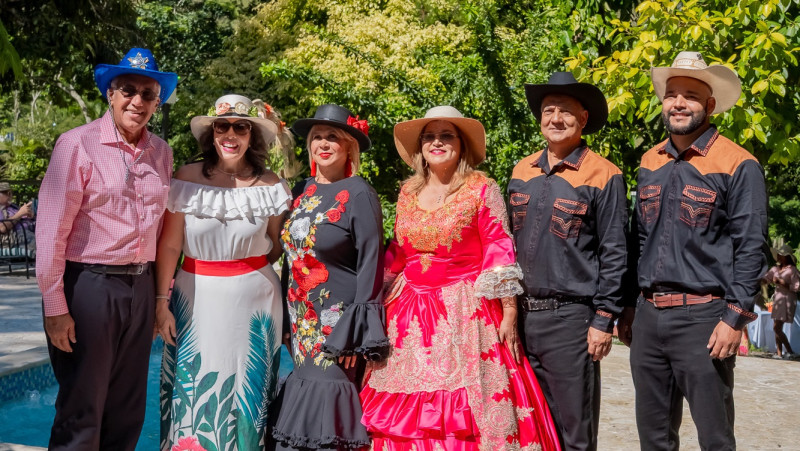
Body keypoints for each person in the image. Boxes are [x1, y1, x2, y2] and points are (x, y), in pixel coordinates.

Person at [360, 106, 560, 450]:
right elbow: (398, 251)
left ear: (461, 143)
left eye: (446, 135)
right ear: (421, 147)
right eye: (429, 137)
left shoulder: (481, 188)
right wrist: (371, 299)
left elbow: (498, 246)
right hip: (407, 312)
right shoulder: (407, 192)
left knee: (468, 407)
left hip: (464, 310)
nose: (437, 142)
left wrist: (509, 310)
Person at [625, 51, 768, 450]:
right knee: (653, 438)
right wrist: (629, 306)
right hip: (649, 317)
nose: (678, 103)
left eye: (690, 96)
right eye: (672, 94)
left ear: (709, 105)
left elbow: (751, 246)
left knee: (715, 438)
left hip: (704, 319)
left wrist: (734, 317)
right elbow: (639, 239)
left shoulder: (738, 163)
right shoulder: (649, 160)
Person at [35, 47, 177, 450]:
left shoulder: (162, 152)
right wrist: (55, 307)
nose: (137, 101)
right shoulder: (76, 144)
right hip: (90, 286)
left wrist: (157, 299)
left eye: (148, 94)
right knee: (82, 409)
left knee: (127, 410)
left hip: (141, 286)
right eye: (128, 90)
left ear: (157, 102)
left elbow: (162, 230)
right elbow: (51, 230)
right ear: (110, 94)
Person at [155, 94, 293, 450]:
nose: (230, 134)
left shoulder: (271, 185)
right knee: (195, 384)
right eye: (222, 126)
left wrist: (241, 266)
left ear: (252, 135)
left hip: (256, 304)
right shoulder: (185, 178)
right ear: (212, 133)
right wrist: (160, 301)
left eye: (241, 127)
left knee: (249, 389)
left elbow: (275, 244)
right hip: (195, 298)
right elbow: (169, 246)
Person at [507, 72, 628, 451]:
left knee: (575, 430)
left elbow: (615, 251)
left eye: (565, 111)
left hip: (571, 321)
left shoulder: (604, 174)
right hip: (520, 318)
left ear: (583, 118)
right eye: (548, 110)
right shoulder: (520, 171)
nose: (556, 119)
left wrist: (604, 318)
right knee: (530, 426)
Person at [270, 104, 388, 450]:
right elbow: (292, 258)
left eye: (332, 137)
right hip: (300, 321)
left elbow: (371, 264)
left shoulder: (360, 193)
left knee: (327, 411)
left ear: (349, 146)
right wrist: (286, 323)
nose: (323, 143)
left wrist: (354, 335)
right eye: (317, 137)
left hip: (337, 326)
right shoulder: (300, 191)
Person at [763, 243, 799, 359]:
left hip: (787, 299)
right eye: (778, 254)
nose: (779, 256)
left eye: (781, 254)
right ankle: (779, 353)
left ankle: (789, 351)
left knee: (776, 327)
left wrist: (782, 283)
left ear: (787, 257)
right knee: (777, 326)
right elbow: (766, 279)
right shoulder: (775, 269)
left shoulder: (792, 270)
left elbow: (797, 287)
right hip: (778, 299)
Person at [0, 182, 36, 250]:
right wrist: (20, 214)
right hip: (15, 238)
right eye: (5, 193)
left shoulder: (13, 206)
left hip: (32, 231)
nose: (10, 195)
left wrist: (31, 215)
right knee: (36, 240)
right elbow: (2, 228)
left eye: (10, 193)